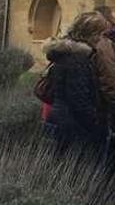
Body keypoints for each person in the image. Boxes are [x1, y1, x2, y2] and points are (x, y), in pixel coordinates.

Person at [42, 12, 108, 157]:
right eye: (100, 34)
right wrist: (96, 123)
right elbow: (79, 100)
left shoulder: (66, 54)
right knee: (75, 171)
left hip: (59, 118)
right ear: (90, 34)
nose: (101, 39)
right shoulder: (78, 60)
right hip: (72, 125)